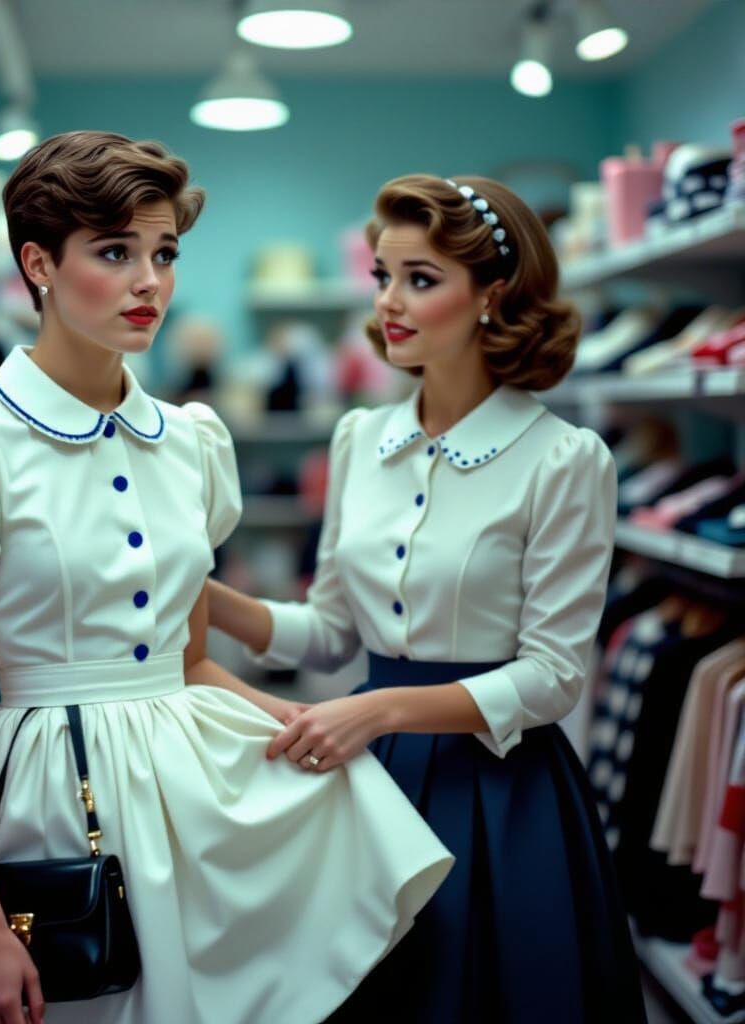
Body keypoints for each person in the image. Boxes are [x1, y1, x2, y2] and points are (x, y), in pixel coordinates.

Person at [0, 133, 452, 1024]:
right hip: (45, 796)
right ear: (39, 264)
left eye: (164, 254)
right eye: (114, 253)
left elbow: (189, 664)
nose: (150, 282)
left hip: (183, 790)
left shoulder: (190, 443)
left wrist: (294, 719)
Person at [207, 174, 647, 1024]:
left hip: (501, 789)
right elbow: (332, 631)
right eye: (382, 276)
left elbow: (554, 675)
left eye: (422, 278)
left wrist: (379, 713)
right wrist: (203, 591)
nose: (390, 304)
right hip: (368, 779)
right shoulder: (359, 439)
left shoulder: (564, 459)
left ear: (493, 295)